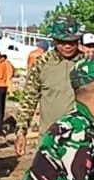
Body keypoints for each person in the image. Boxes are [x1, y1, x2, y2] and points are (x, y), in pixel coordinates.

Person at [14, 17, 84, 156]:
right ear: (54, 40)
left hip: (81, 139)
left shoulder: (88, 64)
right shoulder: (42, 64)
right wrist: (21, 132)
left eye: (71, 41)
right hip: (49, 140)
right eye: (62, 42)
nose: (67, 46)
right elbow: (29, 99)